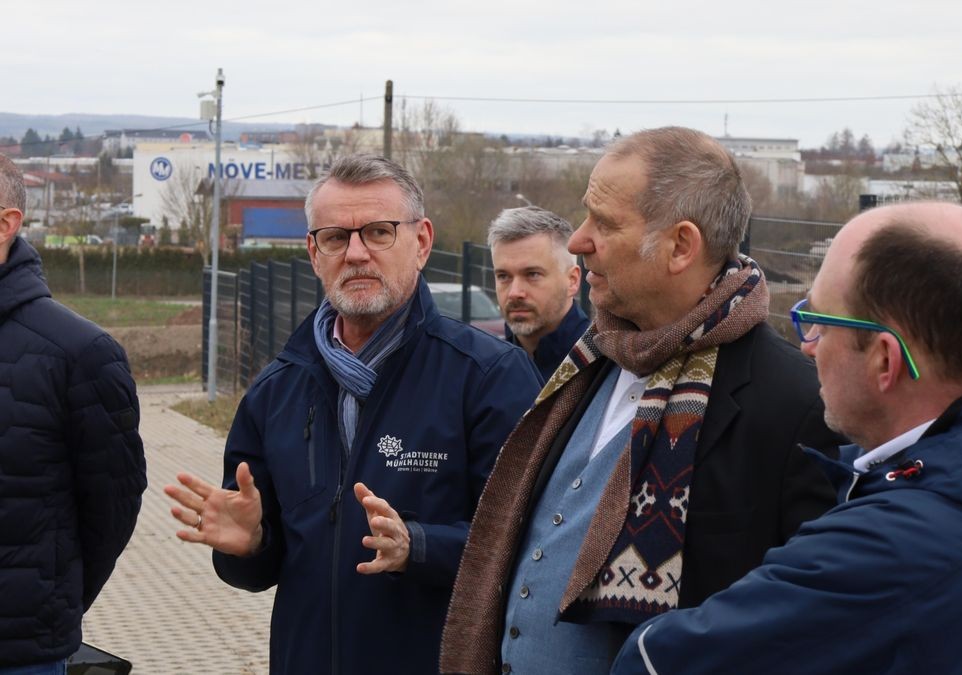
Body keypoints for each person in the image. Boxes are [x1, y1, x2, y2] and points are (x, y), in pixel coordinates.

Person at [611, 201, 962, 674]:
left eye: (818, 320)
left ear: (885, 360)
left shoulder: (897, 548)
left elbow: (655, 662)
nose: (808, 346)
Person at [441, 127, 842, 674]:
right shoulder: (588, 363)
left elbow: (811, 632)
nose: (578, 240)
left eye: (603, 223)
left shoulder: (797, 404)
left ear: (681, 246)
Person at [164, 155, 541, 674]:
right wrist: (249, 546)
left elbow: (529, 546)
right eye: (336, 237)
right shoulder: (275, 391)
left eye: (379, 232)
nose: (356, 253)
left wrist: (419, 546)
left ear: (422, 242)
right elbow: (259, 564)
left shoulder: (489, 377)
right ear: (314, 252)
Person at [0, 154, 147, 673]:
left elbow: (112, 505)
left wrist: (48, 604)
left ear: (5, 224)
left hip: (20, 653)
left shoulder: (81, 354)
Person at [488, 205, 589, 382]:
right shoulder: (484, 370)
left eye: (532, 274)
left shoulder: (603, 367)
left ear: (572, 280)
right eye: (503, 276)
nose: (514, 293)